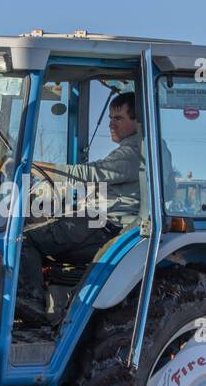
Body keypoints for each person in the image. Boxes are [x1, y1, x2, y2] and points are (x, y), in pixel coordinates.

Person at [16, 92, 143, 324]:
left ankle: (30, 306)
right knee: (41, 226)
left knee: (23, 240)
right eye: (110, 118)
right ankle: (51, 305)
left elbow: (87, 174)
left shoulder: (134, 153)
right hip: (102, 220)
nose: (111, 124)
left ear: (138, 121)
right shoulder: (139, 151)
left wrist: (30, 166)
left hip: (106, 226)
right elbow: (98, 190)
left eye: (118, 118)